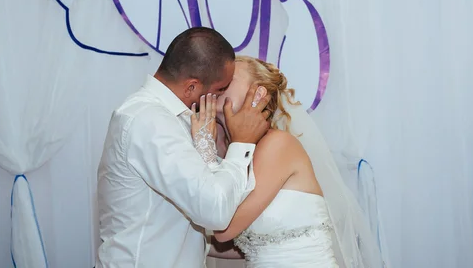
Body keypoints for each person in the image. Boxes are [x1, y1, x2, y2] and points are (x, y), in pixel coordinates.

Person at [96, 28, 272, 268]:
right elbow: (215, 211)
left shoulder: (174, 119)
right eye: (221, 89)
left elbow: (194, 218)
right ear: (192, 87)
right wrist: (242, 143)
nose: (221, 97)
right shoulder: (149, 121)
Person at [195, 56, 384, 268]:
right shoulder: (237, 159)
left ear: (259, 94)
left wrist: (206, 153)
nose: (218, 83)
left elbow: (223, 230)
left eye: (230, 79)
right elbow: (253, 244)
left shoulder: (278, 145)